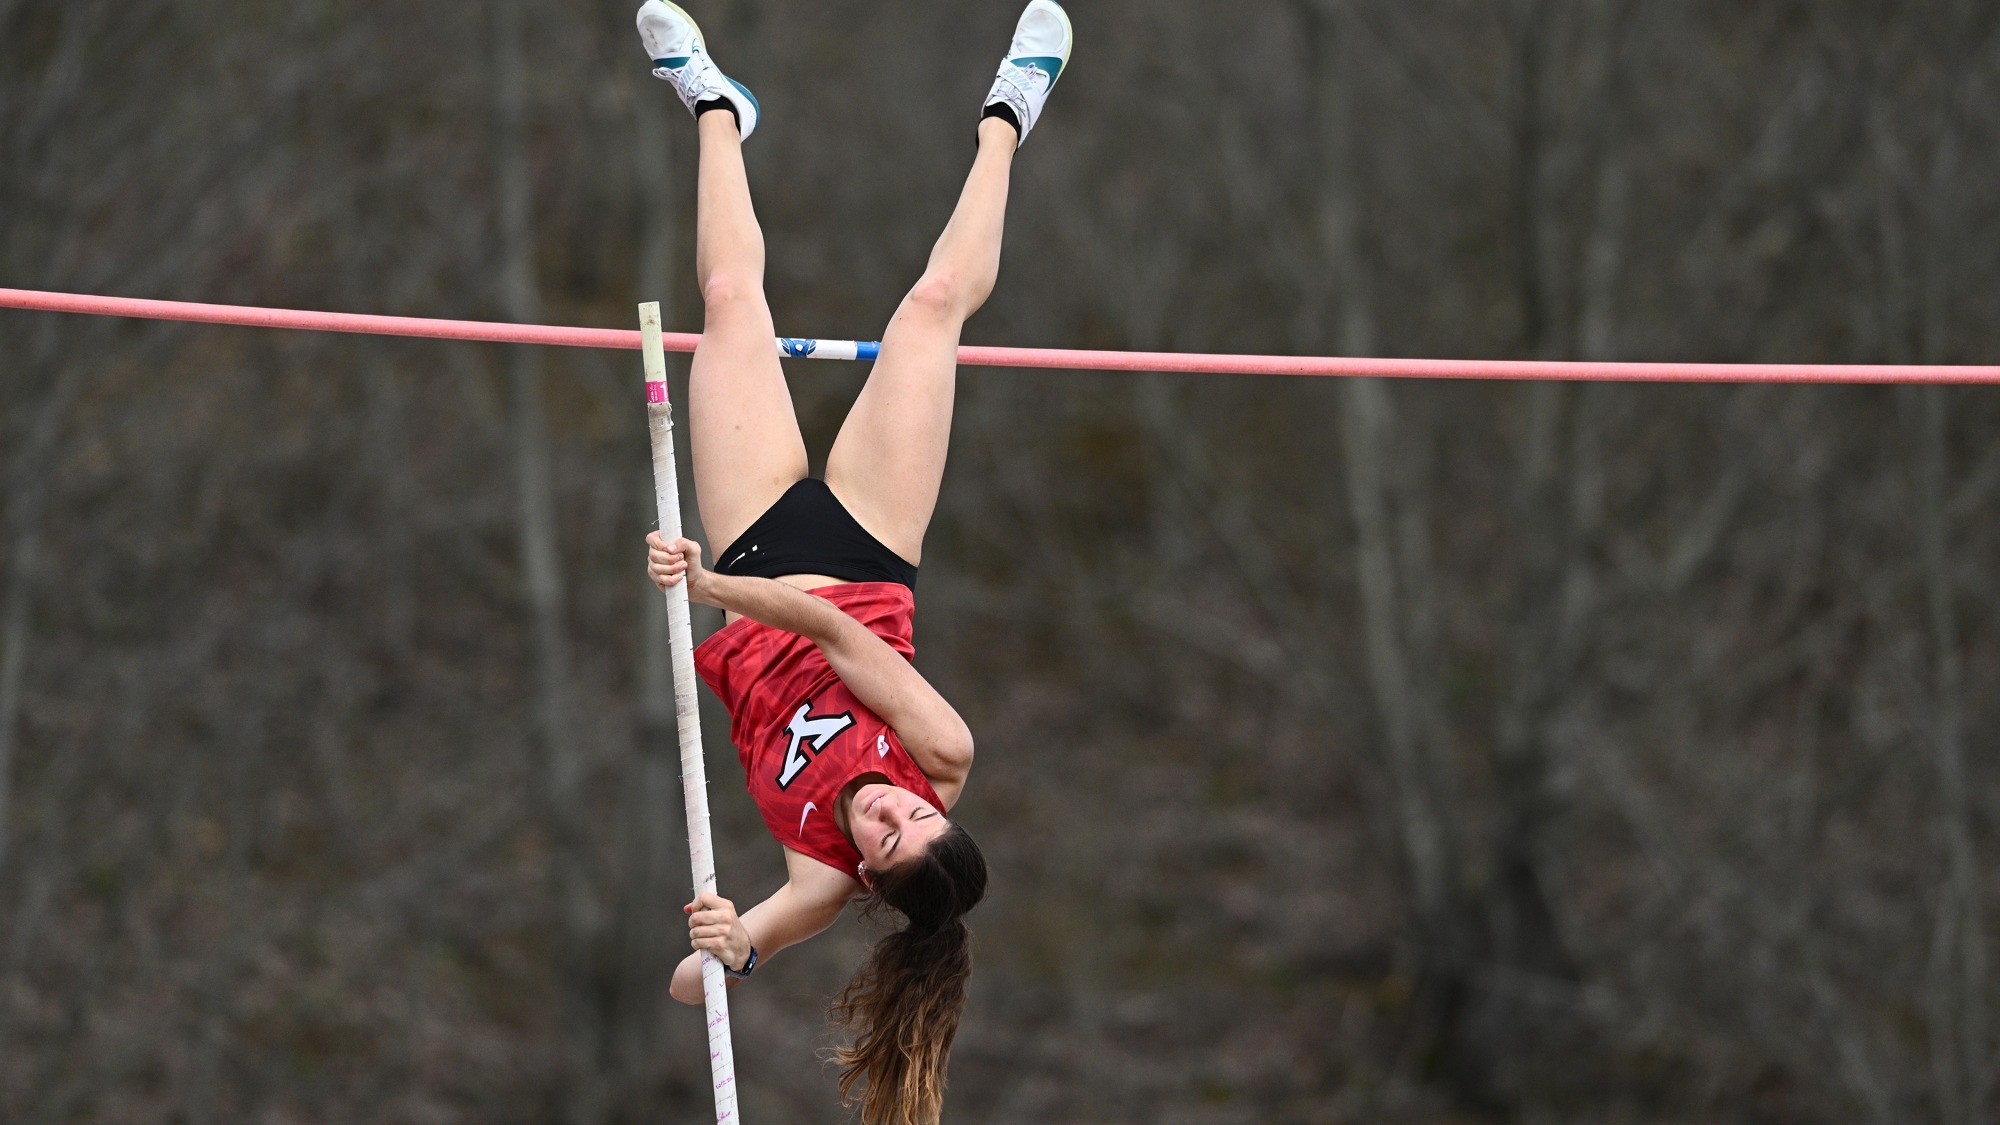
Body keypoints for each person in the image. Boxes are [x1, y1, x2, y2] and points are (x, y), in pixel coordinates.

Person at [634, 2, 1071, 1121]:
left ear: (870, 879)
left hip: (751, 545)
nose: (890, 817)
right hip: (860, 552)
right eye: (916, 819)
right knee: (928, 314)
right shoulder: (939, 749)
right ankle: (1008, 114)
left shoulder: (819, 876)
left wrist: (729, 947)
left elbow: (694, 988)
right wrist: (706, 590)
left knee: (730, 306)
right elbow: (832, 634)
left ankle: (717, 111)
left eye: (886, 840)